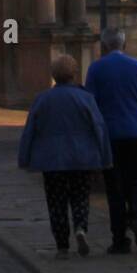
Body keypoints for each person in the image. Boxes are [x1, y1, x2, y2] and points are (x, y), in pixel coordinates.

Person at [17, 54, 112, 258]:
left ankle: (62, 246)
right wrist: (105, 157)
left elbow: (30, 130)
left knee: (56, 202)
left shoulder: (42, 99)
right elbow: (99, 128)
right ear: (74, 73)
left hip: (52, 160)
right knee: (80, 197)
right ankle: (80, 227)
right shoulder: (86, 98)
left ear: (54, 75)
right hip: (81, 157)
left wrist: (24, 157)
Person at [85, 27, 137, 254]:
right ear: (124, 45)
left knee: (114, 188)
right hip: (135, 134)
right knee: (135, 182)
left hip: (109, 137)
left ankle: (119, 240)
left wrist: (92, 138)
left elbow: (90, 107)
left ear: (104, 46)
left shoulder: (96, 68)